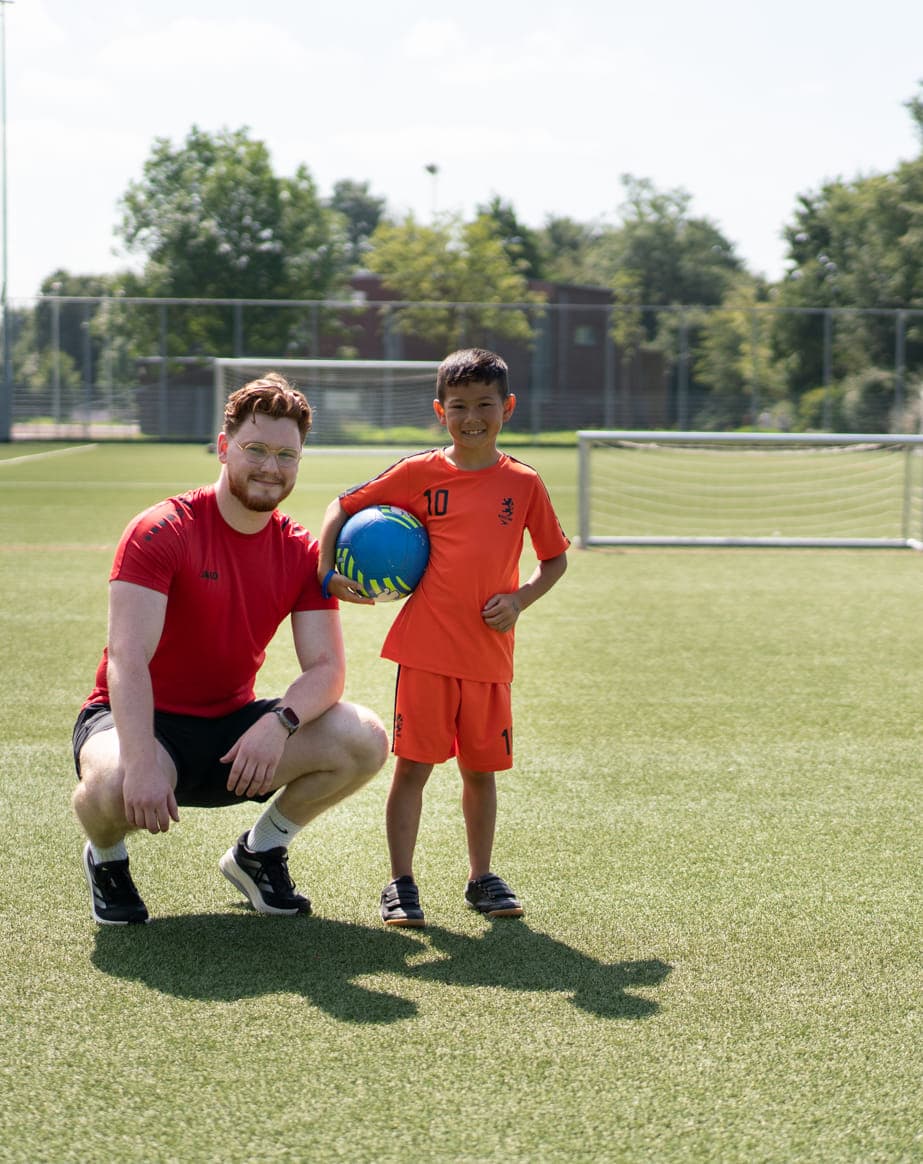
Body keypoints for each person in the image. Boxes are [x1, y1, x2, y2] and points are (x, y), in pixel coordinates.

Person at [72, 372, 390, 925]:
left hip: (233, 730)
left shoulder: (299, 552)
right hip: (140, 722)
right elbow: (128, 658)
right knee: (117, 781)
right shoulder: (161, 529)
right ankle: (106, 858)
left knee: (363, 738)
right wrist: (143, 760)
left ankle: (259, 853)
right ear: (224, 448)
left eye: (286, 455)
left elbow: (326, 669)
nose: (271, 467)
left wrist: (278, 724)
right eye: (256, 449)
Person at [317, 348, 569, 927]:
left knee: (480, 772)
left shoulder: (524, 484)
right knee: (413, 768)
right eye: (459, 406)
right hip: (426, 653)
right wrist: (327, 571)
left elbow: (553, 560)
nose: (472, 417)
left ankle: (482, 878)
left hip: (488, 657)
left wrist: (520, 599)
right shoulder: (419, 473)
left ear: (507, 408)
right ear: (440, 411)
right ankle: (400, 884)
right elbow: (340, 507)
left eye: (485, 404)